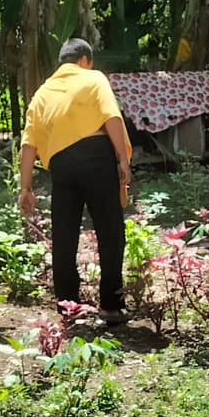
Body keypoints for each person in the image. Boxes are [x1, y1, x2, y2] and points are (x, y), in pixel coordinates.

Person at [18, 38, 133, 321]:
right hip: (95, 156)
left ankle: (68, 304)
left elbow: (29, 143)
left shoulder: (42, 93)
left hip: (61, 164)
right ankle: (111, 304)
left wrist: (26, 188)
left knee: (65, 234)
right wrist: (122, 158)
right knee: (110, 230)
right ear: (84, 60)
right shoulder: (93, 78)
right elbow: (112, 117)